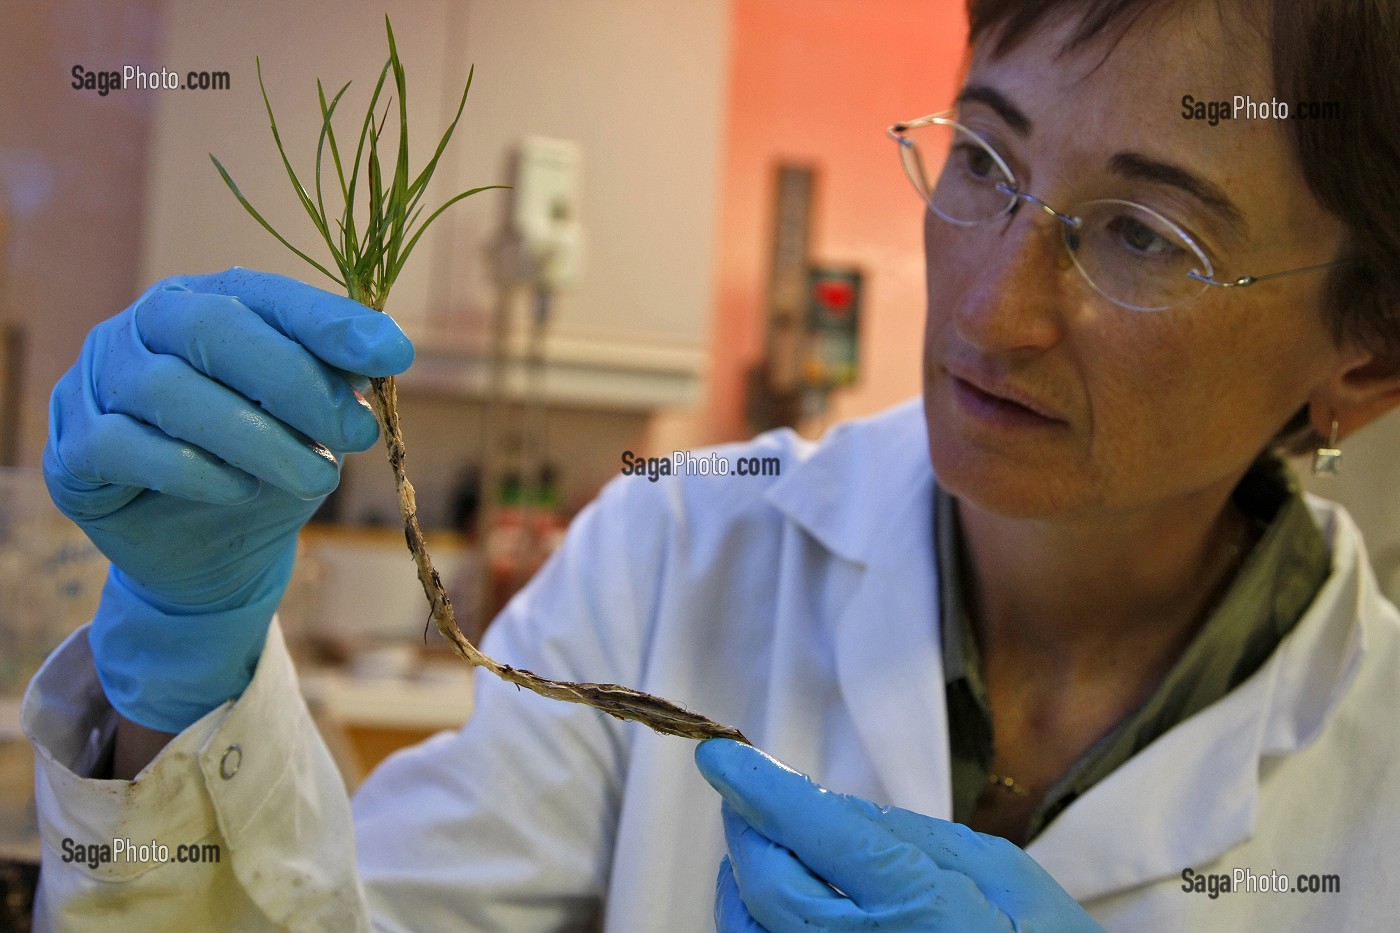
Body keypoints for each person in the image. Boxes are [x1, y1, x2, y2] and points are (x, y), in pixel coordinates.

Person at [23, 0, 1400, 928]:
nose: (992, 309)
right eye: (983, 158)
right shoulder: (672, 553)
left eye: (1144, 236)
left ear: (1367, 360)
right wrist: (177, 681)